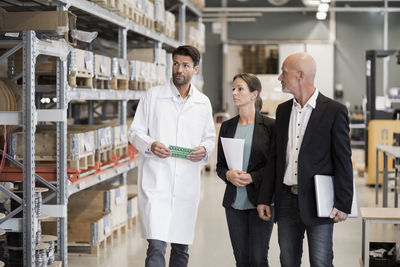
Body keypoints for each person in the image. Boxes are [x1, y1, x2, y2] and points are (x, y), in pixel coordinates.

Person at [257, 53, 353, 267]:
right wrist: (265, 197)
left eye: (284, 72)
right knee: (288, 261)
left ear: (300, 75)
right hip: (286, 200)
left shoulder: (334, 111)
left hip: (320, 201)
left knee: (321, 261)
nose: (279, 78)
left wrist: (344, 202)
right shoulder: (282, 111)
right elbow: (275, 159)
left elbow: (343, 160)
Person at [128, 45, 216, 267]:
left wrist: (204, 150)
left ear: (195, 70)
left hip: (186, 184)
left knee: (181, 248)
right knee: (156, 246)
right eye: (176, 64)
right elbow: (135, 132)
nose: (179, 69)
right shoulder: (153, 96)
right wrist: (150, 145)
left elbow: (209, 138)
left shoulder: (202, 102)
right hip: (157, 182)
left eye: (185, 65)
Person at [216, 73, 275, 267]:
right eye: (233, 88)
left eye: (240, 89)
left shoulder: (270, 127)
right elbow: (220, 166)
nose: (234, 93)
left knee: (258, 259)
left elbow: (275, 166)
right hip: (234, 204)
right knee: (241, 260)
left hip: (261, 201)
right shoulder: (227, 127)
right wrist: (228, 175)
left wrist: (253, 177)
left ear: (253, 94)